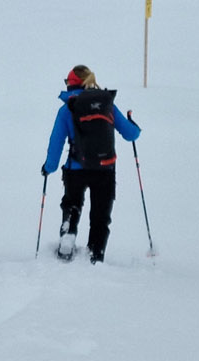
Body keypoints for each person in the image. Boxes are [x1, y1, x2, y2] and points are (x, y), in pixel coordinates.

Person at [41, 65, 141, 264]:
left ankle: (68, 234)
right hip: (105, 168)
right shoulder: (107, 105)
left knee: (72, 204)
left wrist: (49, 167)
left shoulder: (66, 109)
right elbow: (131, 134)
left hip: (76, 169)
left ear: (71, 84)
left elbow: (56, 142)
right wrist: (134, 124)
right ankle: (95, 255)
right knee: (100, 215)